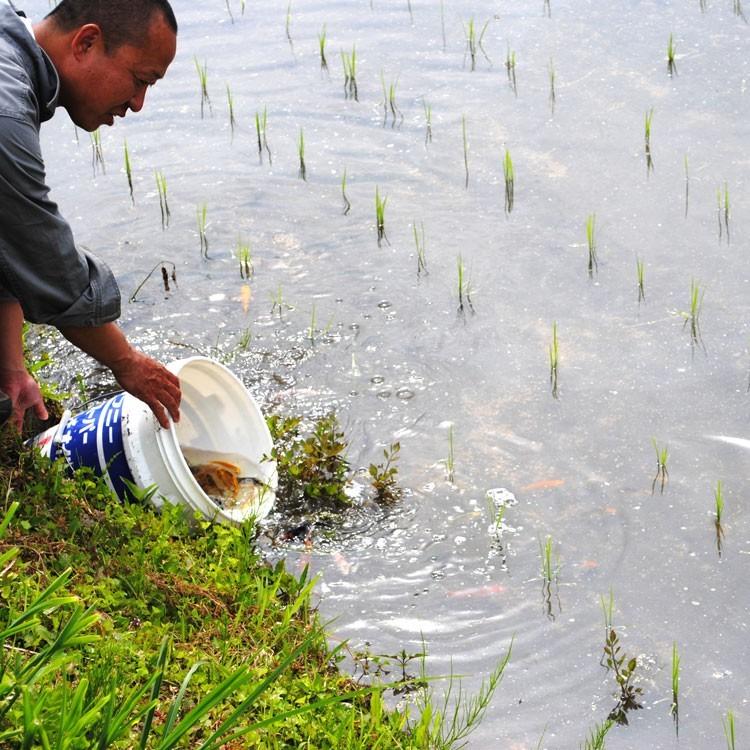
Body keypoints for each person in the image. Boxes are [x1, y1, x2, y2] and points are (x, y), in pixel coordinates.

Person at [0, 0, 181, 432]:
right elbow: (46, 258)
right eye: (140, 80)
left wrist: (11, 368)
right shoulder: (5, 113)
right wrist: (127, 362)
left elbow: (6, 232)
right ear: (86, 42)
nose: (137, 103)